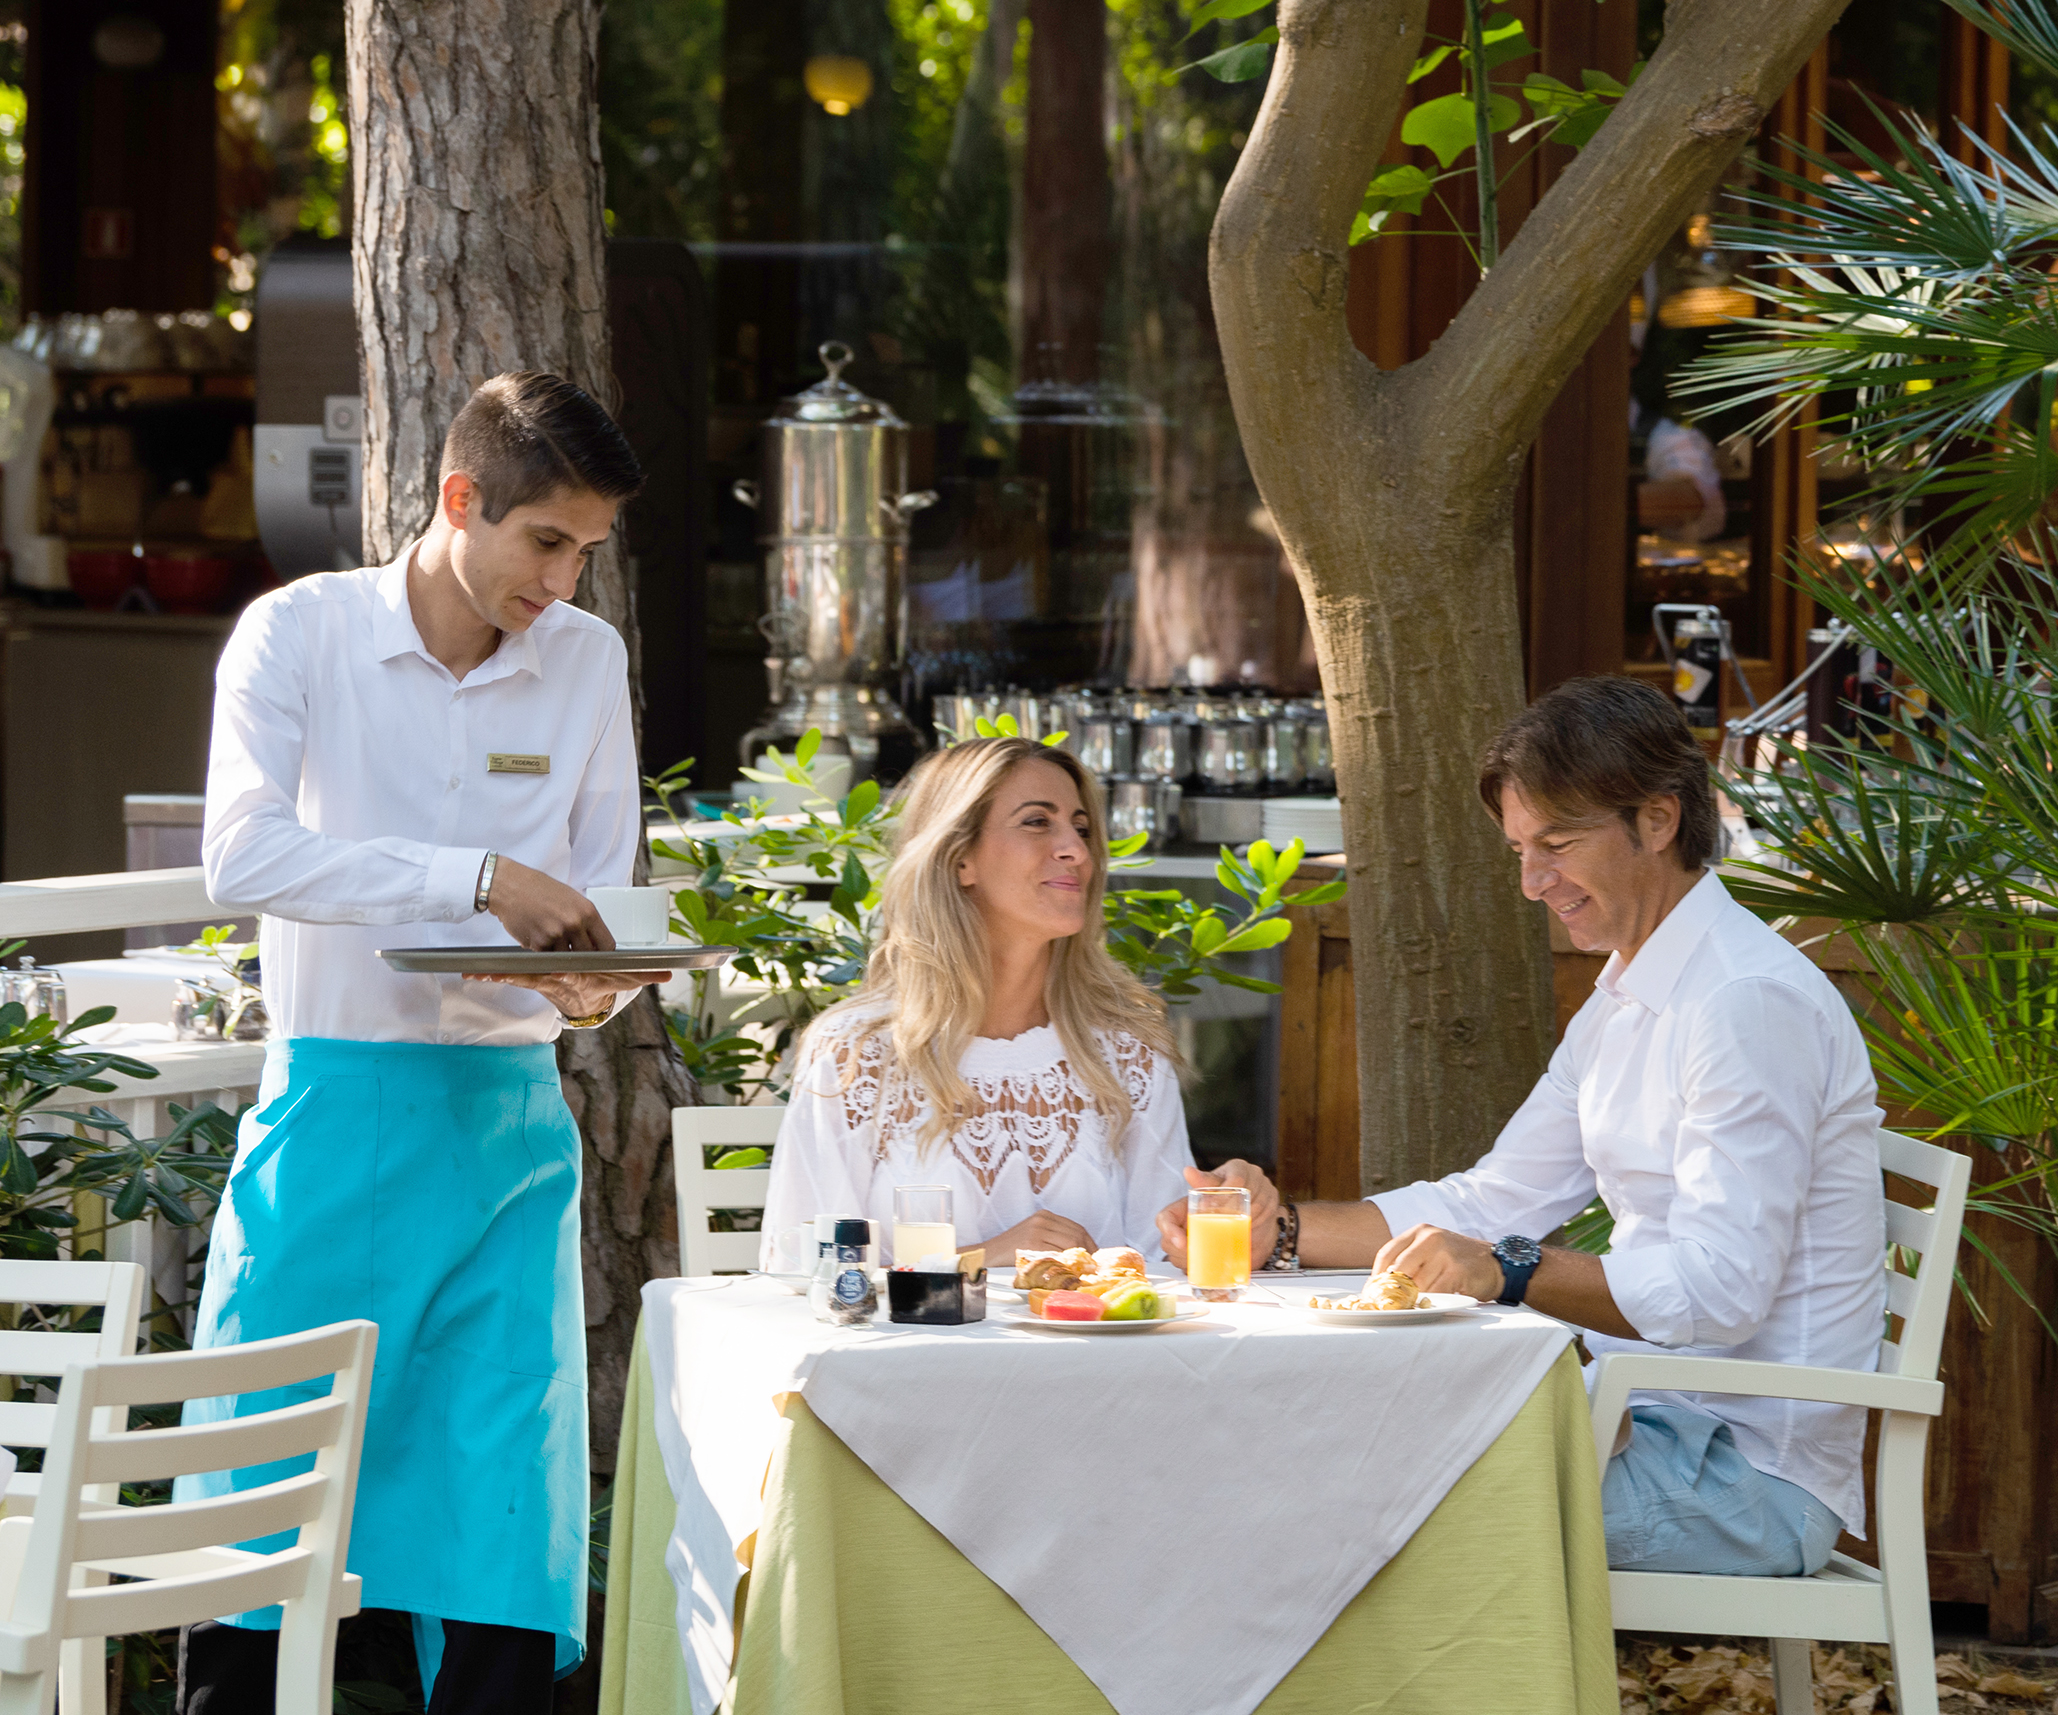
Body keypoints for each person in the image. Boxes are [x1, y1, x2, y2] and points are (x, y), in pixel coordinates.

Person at [184, 373, 664, 1715]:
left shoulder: (586, 661)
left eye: (586, 552)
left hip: (509, 1138)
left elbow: (595, 895)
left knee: (497, 1528)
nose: (564, 583)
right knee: (260, 1507)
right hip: (331, 1125)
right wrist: (475, 879)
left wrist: (601, 986)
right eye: (546, 542)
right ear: (462, 499)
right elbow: (242, 853)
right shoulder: (298, 635)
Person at [1170, 676, 1884, 1577]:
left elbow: (1720, 1290)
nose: (1531, 881)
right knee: (1318, 1466)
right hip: (1640, 1426)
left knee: (1348, 1507)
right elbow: (1490, 1196)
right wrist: (1277, 1232)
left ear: (1658, 820)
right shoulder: (1629, 994)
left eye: (1557, 843)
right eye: (1518, 848)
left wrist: (1510, 1267)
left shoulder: (1744, 1002)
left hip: (1745, 1478)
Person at [760, 736, 1193, 1266]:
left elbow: (1167, 1263)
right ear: (960, 857)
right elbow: (809, 1272)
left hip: (1096, 1347)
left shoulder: (1129, 1051)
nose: (1076, 850)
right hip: (904, 1350)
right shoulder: (858, 1052)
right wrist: (984, 1257)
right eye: (1038, 822)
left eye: (1081, 828)